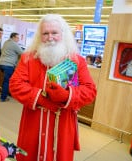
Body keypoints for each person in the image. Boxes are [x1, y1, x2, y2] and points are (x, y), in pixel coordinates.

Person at [9, 14, 97, 161]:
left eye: (54, 33)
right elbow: (15, 85)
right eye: (45, 33)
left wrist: (67, 96)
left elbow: (90, 90)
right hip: (33, 123)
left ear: (63, 34)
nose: (50, 37)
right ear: (39, 36)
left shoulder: (77, 61)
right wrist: (41, 98)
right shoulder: (28, 58)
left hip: (62, 124)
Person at [0, 32, 23, 102]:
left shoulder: (6, 42)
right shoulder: (14, 44)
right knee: (7, 81)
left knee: (5, 80)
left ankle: (5, 93)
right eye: (17, 38)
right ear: (13, 37)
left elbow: (2, 50)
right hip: (8, 65)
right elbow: (22, 53)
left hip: (1, 63)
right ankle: (3, 98)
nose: (18, 39)